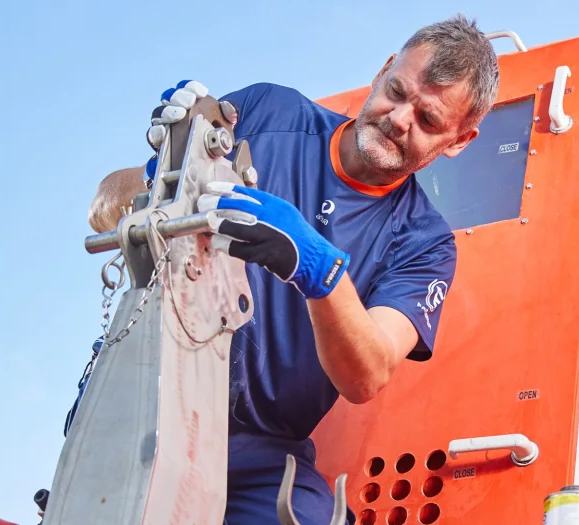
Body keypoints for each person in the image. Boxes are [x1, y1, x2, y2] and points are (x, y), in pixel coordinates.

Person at [73, 14, 499, 524]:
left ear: (458, 140)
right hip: (149, 397)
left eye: (428, 120)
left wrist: (317, 267)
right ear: (385, 68)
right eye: (396, 91)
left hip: (264, 453)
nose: (399, 118)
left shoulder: (424, 245)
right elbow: (103, 208)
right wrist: (167, 175)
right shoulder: (268, 111)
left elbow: (368, 374)